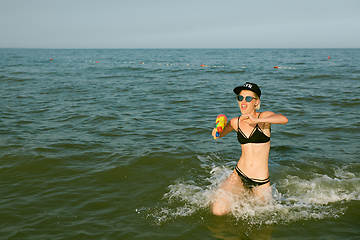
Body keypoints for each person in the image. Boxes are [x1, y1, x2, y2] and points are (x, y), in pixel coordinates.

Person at [211, 82, 288, 216]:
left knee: (261, 219)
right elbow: (220, 134)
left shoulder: (263, 118)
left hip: (261, 182)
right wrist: (216, 130)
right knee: (219, 210)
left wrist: (255, 121)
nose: (243, 102)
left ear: (256, 102)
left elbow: (283, 119)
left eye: (248, 98)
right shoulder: (236, 122)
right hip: (240, 175)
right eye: (240, 98)